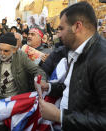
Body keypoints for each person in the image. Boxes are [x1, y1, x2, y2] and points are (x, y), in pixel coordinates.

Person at [38, 2, 106, 130]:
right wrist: (49, 87)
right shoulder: (77, 50)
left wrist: (60, 116)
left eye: (61, 28)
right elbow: (75, 88)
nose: (58, 34)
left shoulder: (102, 59)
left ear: (77, 27)